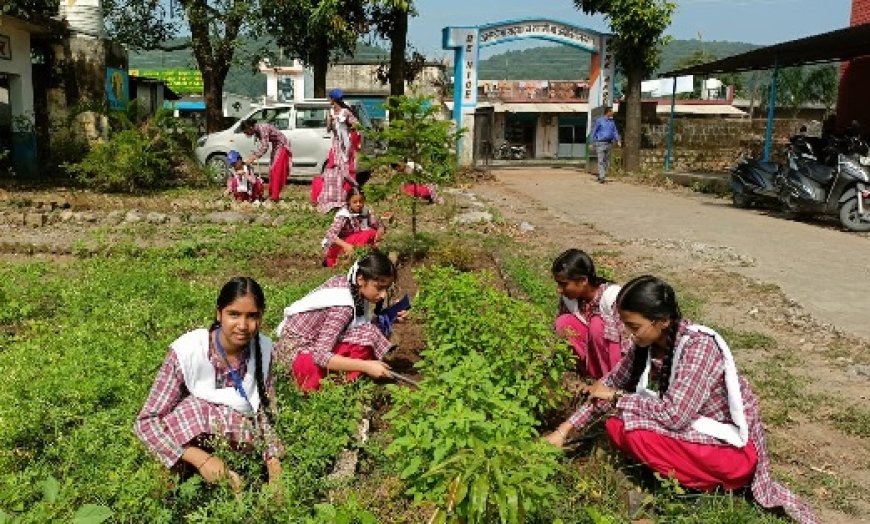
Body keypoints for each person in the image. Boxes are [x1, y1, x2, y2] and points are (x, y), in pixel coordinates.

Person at [544, 276, 817, 524]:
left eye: (634, 327)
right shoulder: (646, 346)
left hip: (733, 454)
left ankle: (699, 487)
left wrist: (618, 398)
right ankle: (685, 479)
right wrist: (563, 432)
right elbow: (609, 385)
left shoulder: (698, 347)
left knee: (634, 430)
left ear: (661, 320)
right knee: (617, 425)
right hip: (696, 439)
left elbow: (675, 416)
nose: (629, 334)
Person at [134, 277, 283, 491]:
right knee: (194, 409)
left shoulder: (263, 352)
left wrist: (273, 465)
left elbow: (263, 414)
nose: (242, 325)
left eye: (252, 316)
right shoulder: (188, 352)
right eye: (234, 314)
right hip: (185, 440)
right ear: (219, 313)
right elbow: (146, 422)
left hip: (237, 441)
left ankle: (232, 478)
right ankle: (178, 484)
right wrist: (202, 460)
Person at [274, 252, 408, 392]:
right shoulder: (343, 307)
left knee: (370, 331)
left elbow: (357, 324)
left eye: (387, 288)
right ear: (361, 279)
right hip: (297, 359)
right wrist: (367, 366)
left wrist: (391, 318)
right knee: (367, 337)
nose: (383, 295)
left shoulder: (351, 285)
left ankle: (347, 374)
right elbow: (320, 356)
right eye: (379, 288)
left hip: (307, 345)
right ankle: (332, 385)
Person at [552, 249, 627, 379]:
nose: (559, 290)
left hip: (619, 370)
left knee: (597, 324)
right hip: (592, 366)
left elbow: (628, 344)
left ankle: (609, 384)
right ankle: (590, 378)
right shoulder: (570, 299)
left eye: (563, 284)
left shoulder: (612, 298)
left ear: (583, 281)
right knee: (563, 322)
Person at [316, 88, 359, 213]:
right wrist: (330, 120)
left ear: (333, 99)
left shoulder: (345, 113)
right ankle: (333, 197)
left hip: (345, 146)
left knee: (344, 171)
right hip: (335, 145)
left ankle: (347, 196)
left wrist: (346, 125)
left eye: (330, 98)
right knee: (332, 171)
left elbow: (357, 125)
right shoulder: (330, 112)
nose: (329, 100)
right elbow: (329, 129)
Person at [322, 188, 386, 268]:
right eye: (355, 202)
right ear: (349, 202)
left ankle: (366, 258)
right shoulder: (343, 215)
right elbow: (330, 234)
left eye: (361, 202)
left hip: (353, 242)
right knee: (369, 233)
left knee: (373, 233)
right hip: (337, 248)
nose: (358, 204)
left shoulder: (365, 211)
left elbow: (377, 224)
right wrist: (346, 246)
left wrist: (380, 231)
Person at [240, 118, 292, 202]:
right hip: (276, 145)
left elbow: (265, 147)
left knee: (276, 170)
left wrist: (253, 158)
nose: (246, 135)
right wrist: (254, 155)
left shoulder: (262, 129)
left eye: (246, 132)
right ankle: (272, 195)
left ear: (250, 128)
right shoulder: (257, 131)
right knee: (271, 169)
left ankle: (274, 197)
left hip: (282, 145)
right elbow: (261, 146)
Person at [591, 106, 621, 184]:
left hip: (609, 143)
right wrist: (592, 142)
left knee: (606, 161)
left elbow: (615, 132)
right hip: (600, 143)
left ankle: (601, 174)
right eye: (611, 111)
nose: (613, 113)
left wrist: (618, 140)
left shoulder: (612, 122)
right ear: (607, 112)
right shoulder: (599, 121)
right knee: (601, 160)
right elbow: (594, 131)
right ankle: (602, 177)